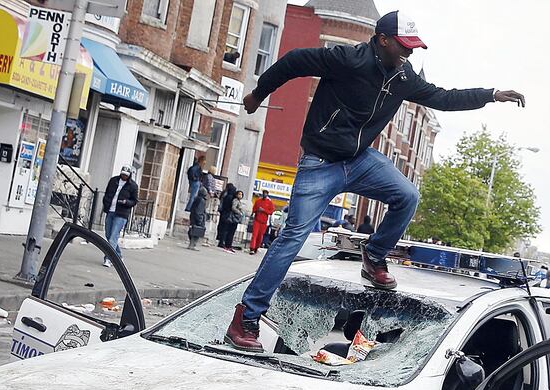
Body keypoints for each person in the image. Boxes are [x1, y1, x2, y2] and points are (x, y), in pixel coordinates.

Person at [223, 10, 525, 350]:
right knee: (293, 237)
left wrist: (492, 94)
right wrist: (258, 94)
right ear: (383, 40)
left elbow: (443, 97)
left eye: (413, 48)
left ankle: (375, 255)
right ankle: (245, 318)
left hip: (360, 160)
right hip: (320, 162)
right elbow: (293, 61)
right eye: (403, 46)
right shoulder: (347, 59)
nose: (409, 54)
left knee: (408, 195)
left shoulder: (403, 76)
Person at [100, 166, 139, 267]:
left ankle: (108, 258)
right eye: (122, 174)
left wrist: (126, 202)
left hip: (121, 213)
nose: (124, 176)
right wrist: (106, 203)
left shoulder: (133, 186)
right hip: (110, 210)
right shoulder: (113, 181)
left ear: (129, 175)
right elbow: (107, 193)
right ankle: (118, 255)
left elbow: (134, 201)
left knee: (113, 236)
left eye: (126, 175)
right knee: (108, 235)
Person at [250, 190, 276, 255]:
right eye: (264, 193)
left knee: (260, 235)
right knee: (254, 235)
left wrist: (264, 210)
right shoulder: (258, 201)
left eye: (266, 193)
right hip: (257, 220)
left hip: (264, 222)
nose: (264, 194)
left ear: (267, 194)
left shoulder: (270, 203)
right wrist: (257, 210)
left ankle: (256, 247)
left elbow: (271, 212)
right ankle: (252, 248)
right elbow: (254, 209)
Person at [217, 183, 238, 251]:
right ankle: (222, 242)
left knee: (222, 227)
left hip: (223, 212)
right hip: (227, 214)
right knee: (225, 229)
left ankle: (220, 240)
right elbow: (231, 207)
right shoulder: (231, 197)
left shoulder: (225, 195)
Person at [187, 186, 208, 251]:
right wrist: (200, 220)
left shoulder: (197, 198)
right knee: (197, 232)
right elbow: (199, 211)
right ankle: (192, 245)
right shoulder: (202, 200)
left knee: (193, 230)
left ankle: (191, 244)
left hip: (193, 217)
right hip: (198, 218)